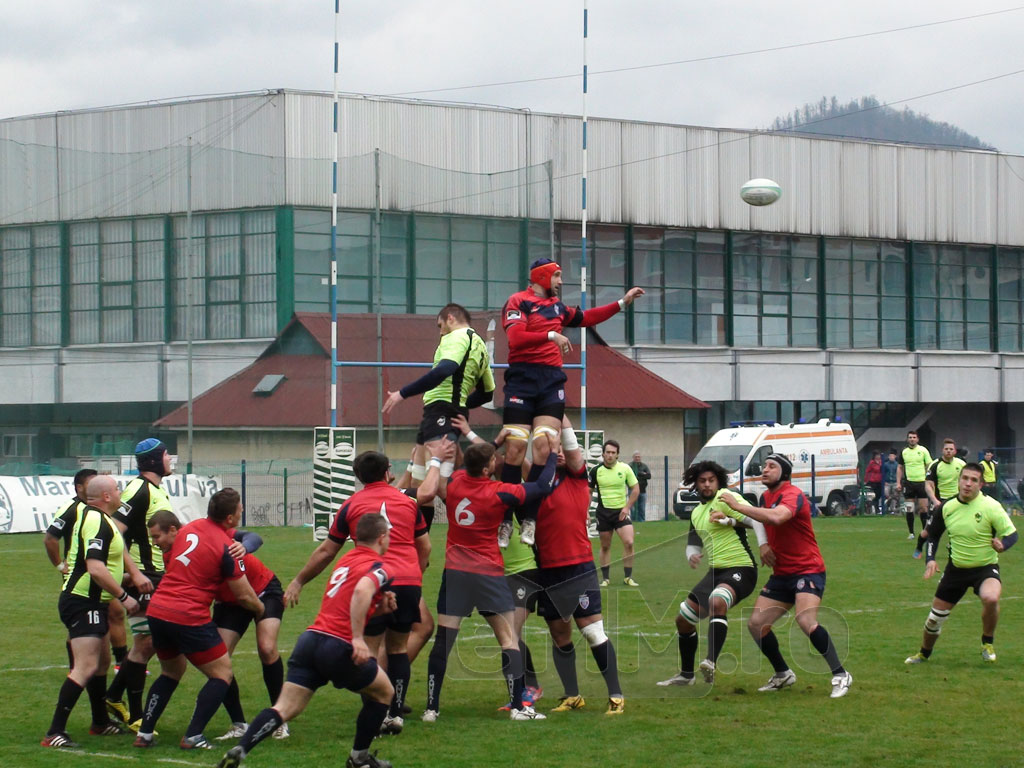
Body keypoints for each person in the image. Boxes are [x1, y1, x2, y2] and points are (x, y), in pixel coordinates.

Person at [216, 514, 398, 768]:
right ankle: (359, 759)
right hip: (338, 646)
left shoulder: (346, 560)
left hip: (311, 641)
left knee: (284, 708)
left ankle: (242, 748)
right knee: (384, 692)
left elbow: (347, 601)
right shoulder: (380, 567)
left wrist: (378, 609)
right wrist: (357, 638)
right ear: (382, 538)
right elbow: (360, 592)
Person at [284, 449, 432, 737]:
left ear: (358, 476)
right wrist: (414, 576)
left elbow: (328, 550)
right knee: (399, 647)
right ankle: (395, 713)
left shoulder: (351, 505)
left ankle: (377, 710)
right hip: (407, 581)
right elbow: (424, 547)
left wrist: (299, 580)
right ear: (388, 471)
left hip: (371, 582)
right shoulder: (407, 503)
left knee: (372, 650)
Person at [500, 258, 643, 546]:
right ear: (541, 277)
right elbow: (516, 339)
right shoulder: (518, 301)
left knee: (543, 447)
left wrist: (622, 302)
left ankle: (529, 518)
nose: (561, 282)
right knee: (515, 448)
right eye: (556, 276)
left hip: (552, 382)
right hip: (522, 381)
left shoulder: (558, 308)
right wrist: (551, 335)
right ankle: (505, 518)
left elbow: (587, 318)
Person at [422, 436, 558, 723]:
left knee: (444, 640)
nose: (497, 461)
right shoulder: (500, 493)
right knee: (508, 639)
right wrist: (554, 454)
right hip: (487, 574)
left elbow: (465, 467)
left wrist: (491, 442)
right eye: (493, 460)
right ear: (486, 469)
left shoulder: (457, 482)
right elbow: (542, 487)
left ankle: (431, 708)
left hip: (456, 573)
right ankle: (519, 707)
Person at [133, 488, 264, 749]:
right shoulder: (226, 547)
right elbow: (244, 596)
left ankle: (145, 733)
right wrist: (262, 609)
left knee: (171, 672)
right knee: (222, 674)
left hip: (158, 610)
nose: (241, 512)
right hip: (188, 614)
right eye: (239, 509)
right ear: (230, 518)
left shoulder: (188, 528)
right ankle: (193, 735)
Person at [719, 454, 854, 698]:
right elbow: (760, 521)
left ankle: (840, 674)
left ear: (785, 473)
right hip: (782, 573)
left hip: (807, 569)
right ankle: (783, 674)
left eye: (772, 466)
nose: (765, 469)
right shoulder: (766, 497)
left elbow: (777, 517)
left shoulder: (793, 495)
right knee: (756, 625)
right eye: (764, 466)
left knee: (805, 620)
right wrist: (730, 521)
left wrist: (737, 506)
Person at [534, 416, 626, 715]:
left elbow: (573, 451)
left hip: (578, 566)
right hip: (548, 568)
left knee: (591, 630)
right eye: (551, 447)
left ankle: (616, 695)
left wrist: (555, 409)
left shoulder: (577, 476)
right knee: (560, 634)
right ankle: (572, 695)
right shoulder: (535, 483)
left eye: (560, 446)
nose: (558, 451)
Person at [42, 475, 142, 748]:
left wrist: (125, 577)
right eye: (117, 489)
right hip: (83, 601)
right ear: (107, 497)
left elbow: (101, 566)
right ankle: (54, 732)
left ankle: (99, 722)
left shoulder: (95, 517)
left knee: (100, 663)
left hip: (90, 600)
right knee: (85, 666)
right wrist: (124, 597)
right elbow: (95, 568)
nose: (121, 492)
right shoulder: (97, 520)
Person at [658, 460, 765, 687]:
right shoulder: (697, 512)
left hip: (741, 568)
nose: (707, 485)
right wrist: (692, 555)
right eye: (702, 481)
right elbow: (693, 543)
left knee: (718, 601)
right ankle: (686, 675)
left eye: (711, 480)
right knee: (683, 620)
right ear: (696, 484)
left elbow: (755, 519)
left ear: (718, 481)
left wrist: (732, 523)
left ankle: (710, 662)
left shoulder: (725, 497)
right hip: (715, 572)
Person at [905, 463, 1017, 665]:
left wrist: (1003, 544)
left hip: (985, 568)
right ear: (959, 481)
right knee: (934, 620)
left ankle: (987, 642)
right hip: (955, 570)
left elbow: (1012, 534)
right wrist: (930, 560)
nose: (968, 484)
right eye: (965, 478)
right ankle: (923, 654)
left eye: (974, 480)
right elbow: (933, 535)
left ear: (981, 484)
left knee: (991, 598)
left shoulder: (991, 506)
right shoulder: (947, 507)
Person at [382, 303, 495, 490]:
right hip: (440, 411)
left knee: (437, 486)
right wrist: (460, 403)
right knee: (418, 483)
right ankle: (416, 519)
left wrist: (403, 393)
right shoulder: (480, 345)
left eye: (440, 326)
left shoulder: (456, 336)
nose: (440, 333)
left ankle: (471, 515)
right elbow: (486, 393)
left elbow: (444, 369)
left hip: (442, 410)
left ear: (450, 318)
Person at [106, 439, 174, 727]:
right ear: (154, 461)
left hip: (156, 576)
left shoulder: (156, 490)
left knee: (148, 644)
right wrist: (134, 572)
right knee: (146, 644)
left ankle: (115, 696)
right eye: (166, 455)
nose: (171, 459)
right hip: (145, 579)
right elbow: (114, 532)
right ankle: (134, 713)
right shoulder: (138, 490)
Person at [589, 440, 640, 587]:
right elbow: (588, 492)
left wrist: (627, 507)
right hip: (603, 513)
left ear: (617, 455)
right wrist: (586, 511)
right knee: (605, 546)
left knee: (629, 542)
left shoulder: (625, 469)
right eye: (608, 452)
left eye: (613, 452)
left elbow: (636, 489)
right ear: (603, 453)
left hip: (621, 513)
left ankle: (628, 577)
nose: (610, 455)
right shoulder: (596, 471)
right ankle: (605, 579)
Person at [915, 439, 966, 559]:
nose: (948, 451)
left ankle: (952, 549)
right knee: (928, 531)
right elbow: (928, 485)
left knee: (958, 529)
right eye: (946, 449)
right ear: (942, 450)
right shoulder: (935, 465)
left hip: (955, 502)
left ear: (955, 451)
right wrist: (934, 500)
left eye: (951, 449)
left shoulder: (961, 464)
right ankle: (918, 548)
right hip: (939, 502)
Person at [897, 431, 933, 542]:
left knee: (923, 508)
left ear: (917, 439)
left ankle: (924, 532)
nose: (912, 439)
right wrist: (898, 482)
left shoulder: (923, 450)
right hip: (909, 483)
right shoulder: (904, 452)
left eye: (914, 437)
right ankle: (911, 533)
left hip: (922, 483)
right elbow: (900, 467)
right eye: (910, 437)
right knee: (909, 508)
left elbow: (929, 465)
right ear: (907, 439)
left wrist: (929, 480)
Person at [628, 451, 652, 522]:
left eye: (638, 457)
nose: (637, 458)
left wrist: (642, 474)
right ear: (633, 458)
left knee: (642, 507)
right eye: (636, 457)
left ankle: (642, 521)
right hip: (632, 490)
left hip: (642, 490)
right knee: (632, 507)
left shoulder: (644, 466)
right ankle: (633, 521)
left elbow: (649, 476)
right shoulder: (630, 466)